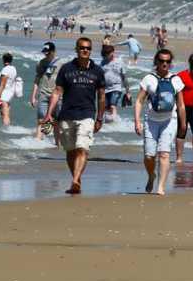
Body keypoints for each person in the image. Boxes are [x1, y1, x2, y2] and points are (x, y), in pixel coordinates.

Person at [42, 37, 105, 195]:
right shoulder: (66, 69)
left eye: (88, 48)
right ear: (76, 49)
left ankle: (75, 180)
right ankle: (76, 178)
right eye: (82, 48)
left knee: (82, 148)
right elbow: (57, 92)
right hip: (67, 114)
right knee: (70, 151)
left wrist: (99, 118)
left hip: (87, 114)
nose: (85, 50)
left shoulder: (97, 71)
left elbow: (101, 96)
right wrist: (49, 113)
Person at [135, 49, 187, 195]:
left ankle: (161, 187)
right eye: (162, 61)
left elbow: (181, 105)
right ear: (156, 62)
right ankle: (151, 175)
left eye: (168, 61)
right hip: (151, 121)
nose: (165, 64)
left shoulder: (176, 80)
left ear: (171, 63)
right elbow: (139, 101)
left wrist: (183, 124)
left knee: (164, 154)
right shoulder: (149, 79)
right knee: (149, 156)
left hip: (170, 121)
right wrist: (137, 121)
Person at [29, 41, 62, 140]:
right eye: (45, 52)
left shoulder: (61, 63)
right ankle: (38, 143)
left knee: (56, 122)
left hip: (57, 96)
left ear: (54, 51)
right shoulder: (40, 63)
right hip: (43, 94)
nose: (46, 54)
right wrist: (33, 96)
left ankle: (57, 145)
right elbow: (37, 80)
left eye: (48, 52)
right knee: (41, 120)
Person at [0, 53, 21, 126]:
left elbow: (2, 84)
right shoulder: (13, 68)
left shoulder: (5, 70)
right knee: (6, 113)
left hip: (4, 93)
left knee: (4, 114)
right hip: (10, 92)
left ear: (3, 60)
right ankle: (7, 127)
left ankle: (6, 128)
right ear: (11, 60)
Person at [100, 43, 128, 123]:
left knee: (112, 105)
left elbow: (124, 77)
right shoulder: (102, 63)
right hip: (105, 89)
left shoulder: (119, 62)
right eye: (104, 55)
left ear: (112, 53)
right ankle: (108, 124)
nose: (105, 57)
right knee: (106, 108)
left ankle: (115, 123)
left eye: (107, 55)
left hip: (116, 87)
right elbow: (99, 76)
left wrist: (128, 91)